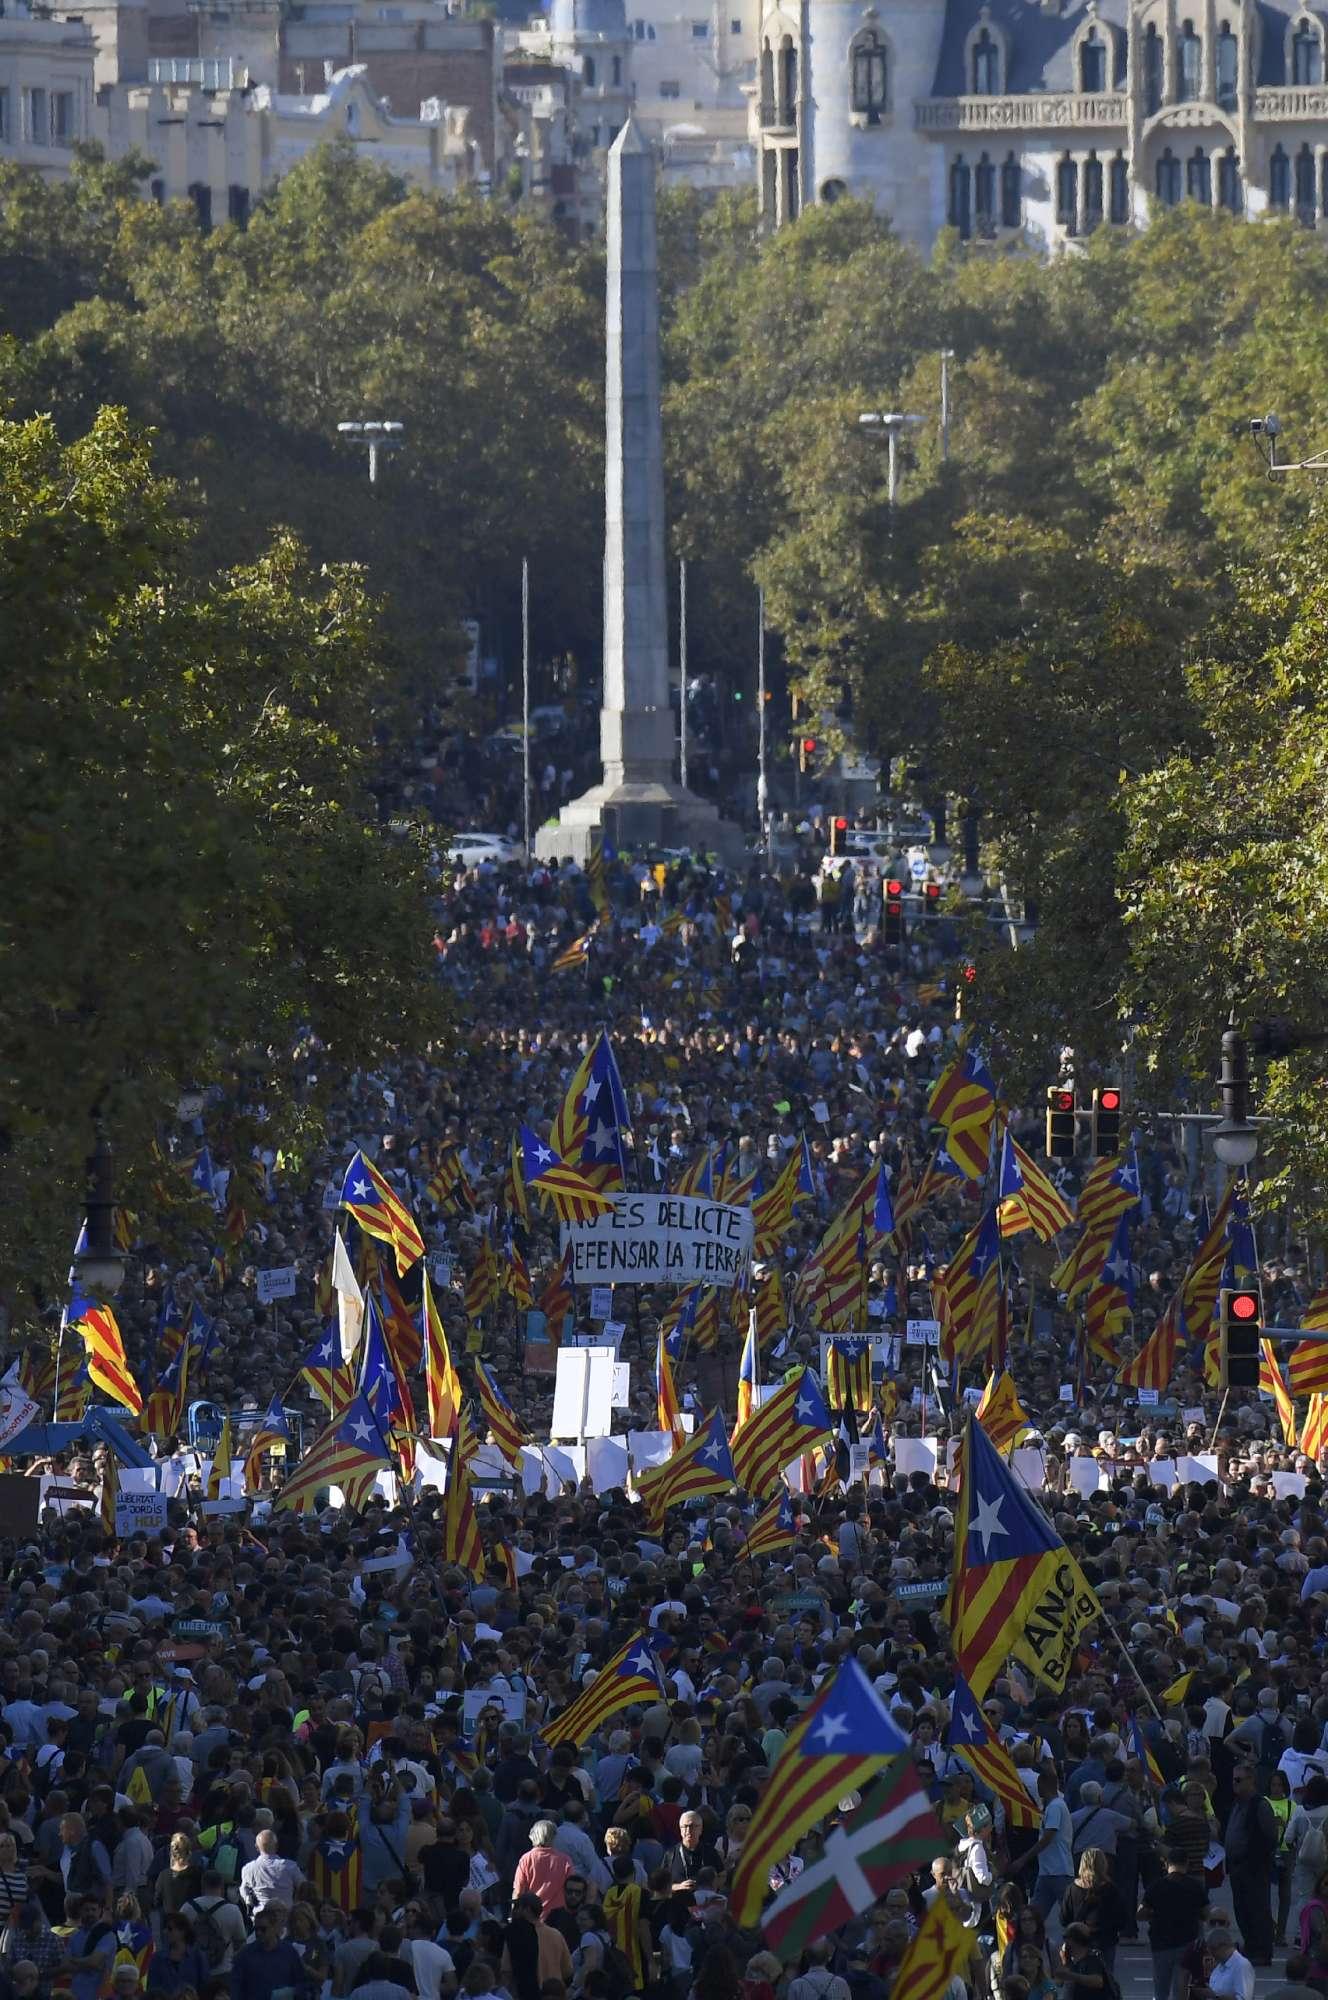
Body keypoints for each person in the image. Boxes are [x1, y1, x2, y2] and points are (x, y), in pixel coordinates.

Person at [1141, 1849, 1210, 2000]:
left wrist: (1153, 1914)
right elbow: (1206, 1913)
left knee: (1161, 1990)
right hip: (1187, 1943)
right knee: (1181, 1989)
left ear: (1166, 1864)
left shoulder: (1156, 1886)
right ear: (1187, 1864)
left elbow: (1140, 1913)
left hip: (1161, 1943)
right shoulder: (1195, 1886)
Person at [1225, 1767, 1278, 1965]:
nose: (1234, 1784)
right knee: (1242, 1909)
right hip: (1236, 1866)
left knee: (1258, 1909)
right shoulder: (1237, 1804)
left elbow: (1270, 1836)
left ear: (1251, 1780)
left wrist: (1255, 1857)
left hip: (1253, 1867)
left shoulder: (1259, 1805)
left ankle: (1262, 1951)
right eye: (1233, 1780)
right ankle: (1251, 1945)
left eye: (1239, 1780)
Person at [1058, 1851, 1125, 1976]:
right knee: (1104, 1978)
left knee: (1077, 1977)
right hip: (1104, 1941)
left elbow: (1064, 1919)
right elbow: (1121, 1919)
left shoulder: (1072, 1889)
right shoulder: (1111, 1889)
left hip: (1077, 1941)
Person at [231, 1907, 314, 2000]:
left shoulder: (289, 1952)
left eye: (263, 1929)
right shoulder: (245, 1954)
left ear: (274, 1928)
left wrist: (292, 1992)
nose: (258, 1933)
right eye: (256, 1929)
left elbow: (301, 1981)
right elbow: (236, 1986)